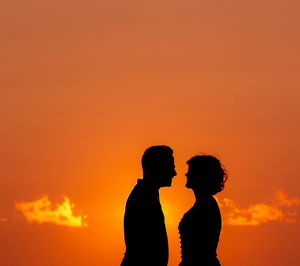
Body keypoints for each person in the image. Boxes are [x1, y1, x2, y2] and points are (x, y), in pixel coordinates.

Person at [121, 145, 177, 266]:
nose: (174, 173)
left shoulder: (149, 195)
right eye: (170, 167)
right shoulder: (142, 197)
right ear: (157, 167)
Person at [179, 155, 228, 266]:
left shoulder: (206, 206)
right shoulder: (205, 204)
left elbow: (201, 250)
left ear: (200, 175)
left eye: (190, 171)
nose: (186, 174)